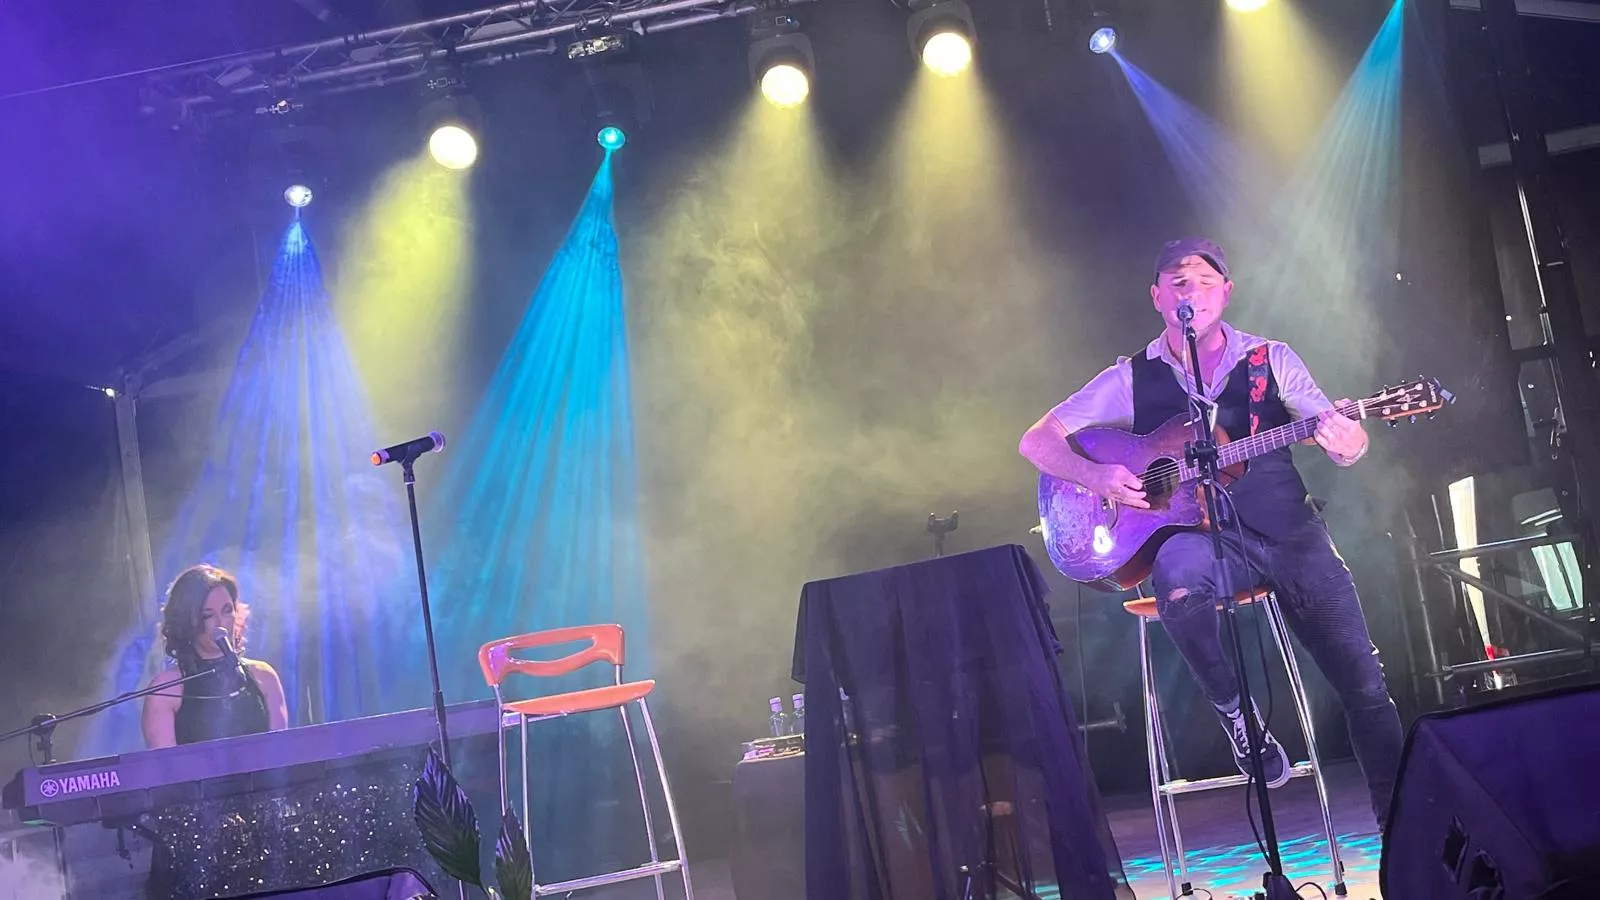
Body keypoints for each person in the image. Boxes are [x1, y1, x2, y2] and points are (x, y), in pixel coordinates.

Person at [1018, 237, 1404, 827]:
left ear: (1225, 291)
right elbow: (1036, 441)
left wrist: (1350, 439)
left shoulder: (1270, 360)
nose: (1188, 290)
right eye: (1175, 281)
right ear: (1155, 297)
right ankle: (1235, 712)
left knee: (1366, 687)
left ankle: (1410, 830)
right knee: (1175, 575)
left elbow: (1337, 433)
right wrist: (1095, 474)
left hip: (1288, 534)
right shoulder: (1130, 377)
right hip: (1205, 541)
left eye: (1202, 279)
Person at [141, 564, 289, 748]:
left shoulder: (264, 676)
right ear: (187, 622)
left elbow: (282, 758)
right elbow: (167, 771)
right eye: (207, 615)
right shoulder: (164, 690)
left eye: (227, 611)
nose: (221, 624)